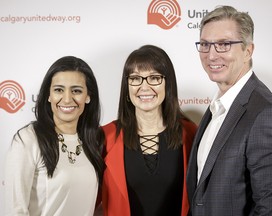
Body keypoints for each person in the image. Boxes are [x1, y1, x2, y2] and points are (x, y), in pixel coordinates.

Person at [186, 5, 272, 216]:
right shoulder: (217, 107)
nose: (211, 55)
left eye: (223, 45)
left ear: (248, 50)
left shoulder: (266, 114)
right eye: (205, 45)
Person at [100, 45, 197, 216]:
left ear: (168, 84)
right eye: (136, 78)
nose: (144, 87)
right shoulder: (105, 137)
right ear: (127, 85)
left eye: (154, 78)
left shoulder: (190, 133)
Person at [4, 56, 105, 215]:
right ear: (48, 95)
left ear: (88, 96)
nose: (66, 99)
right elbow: (14, 209)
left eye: (76, 91)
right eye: (59, 90)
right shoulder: (28, 139)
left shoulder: (94, 140)